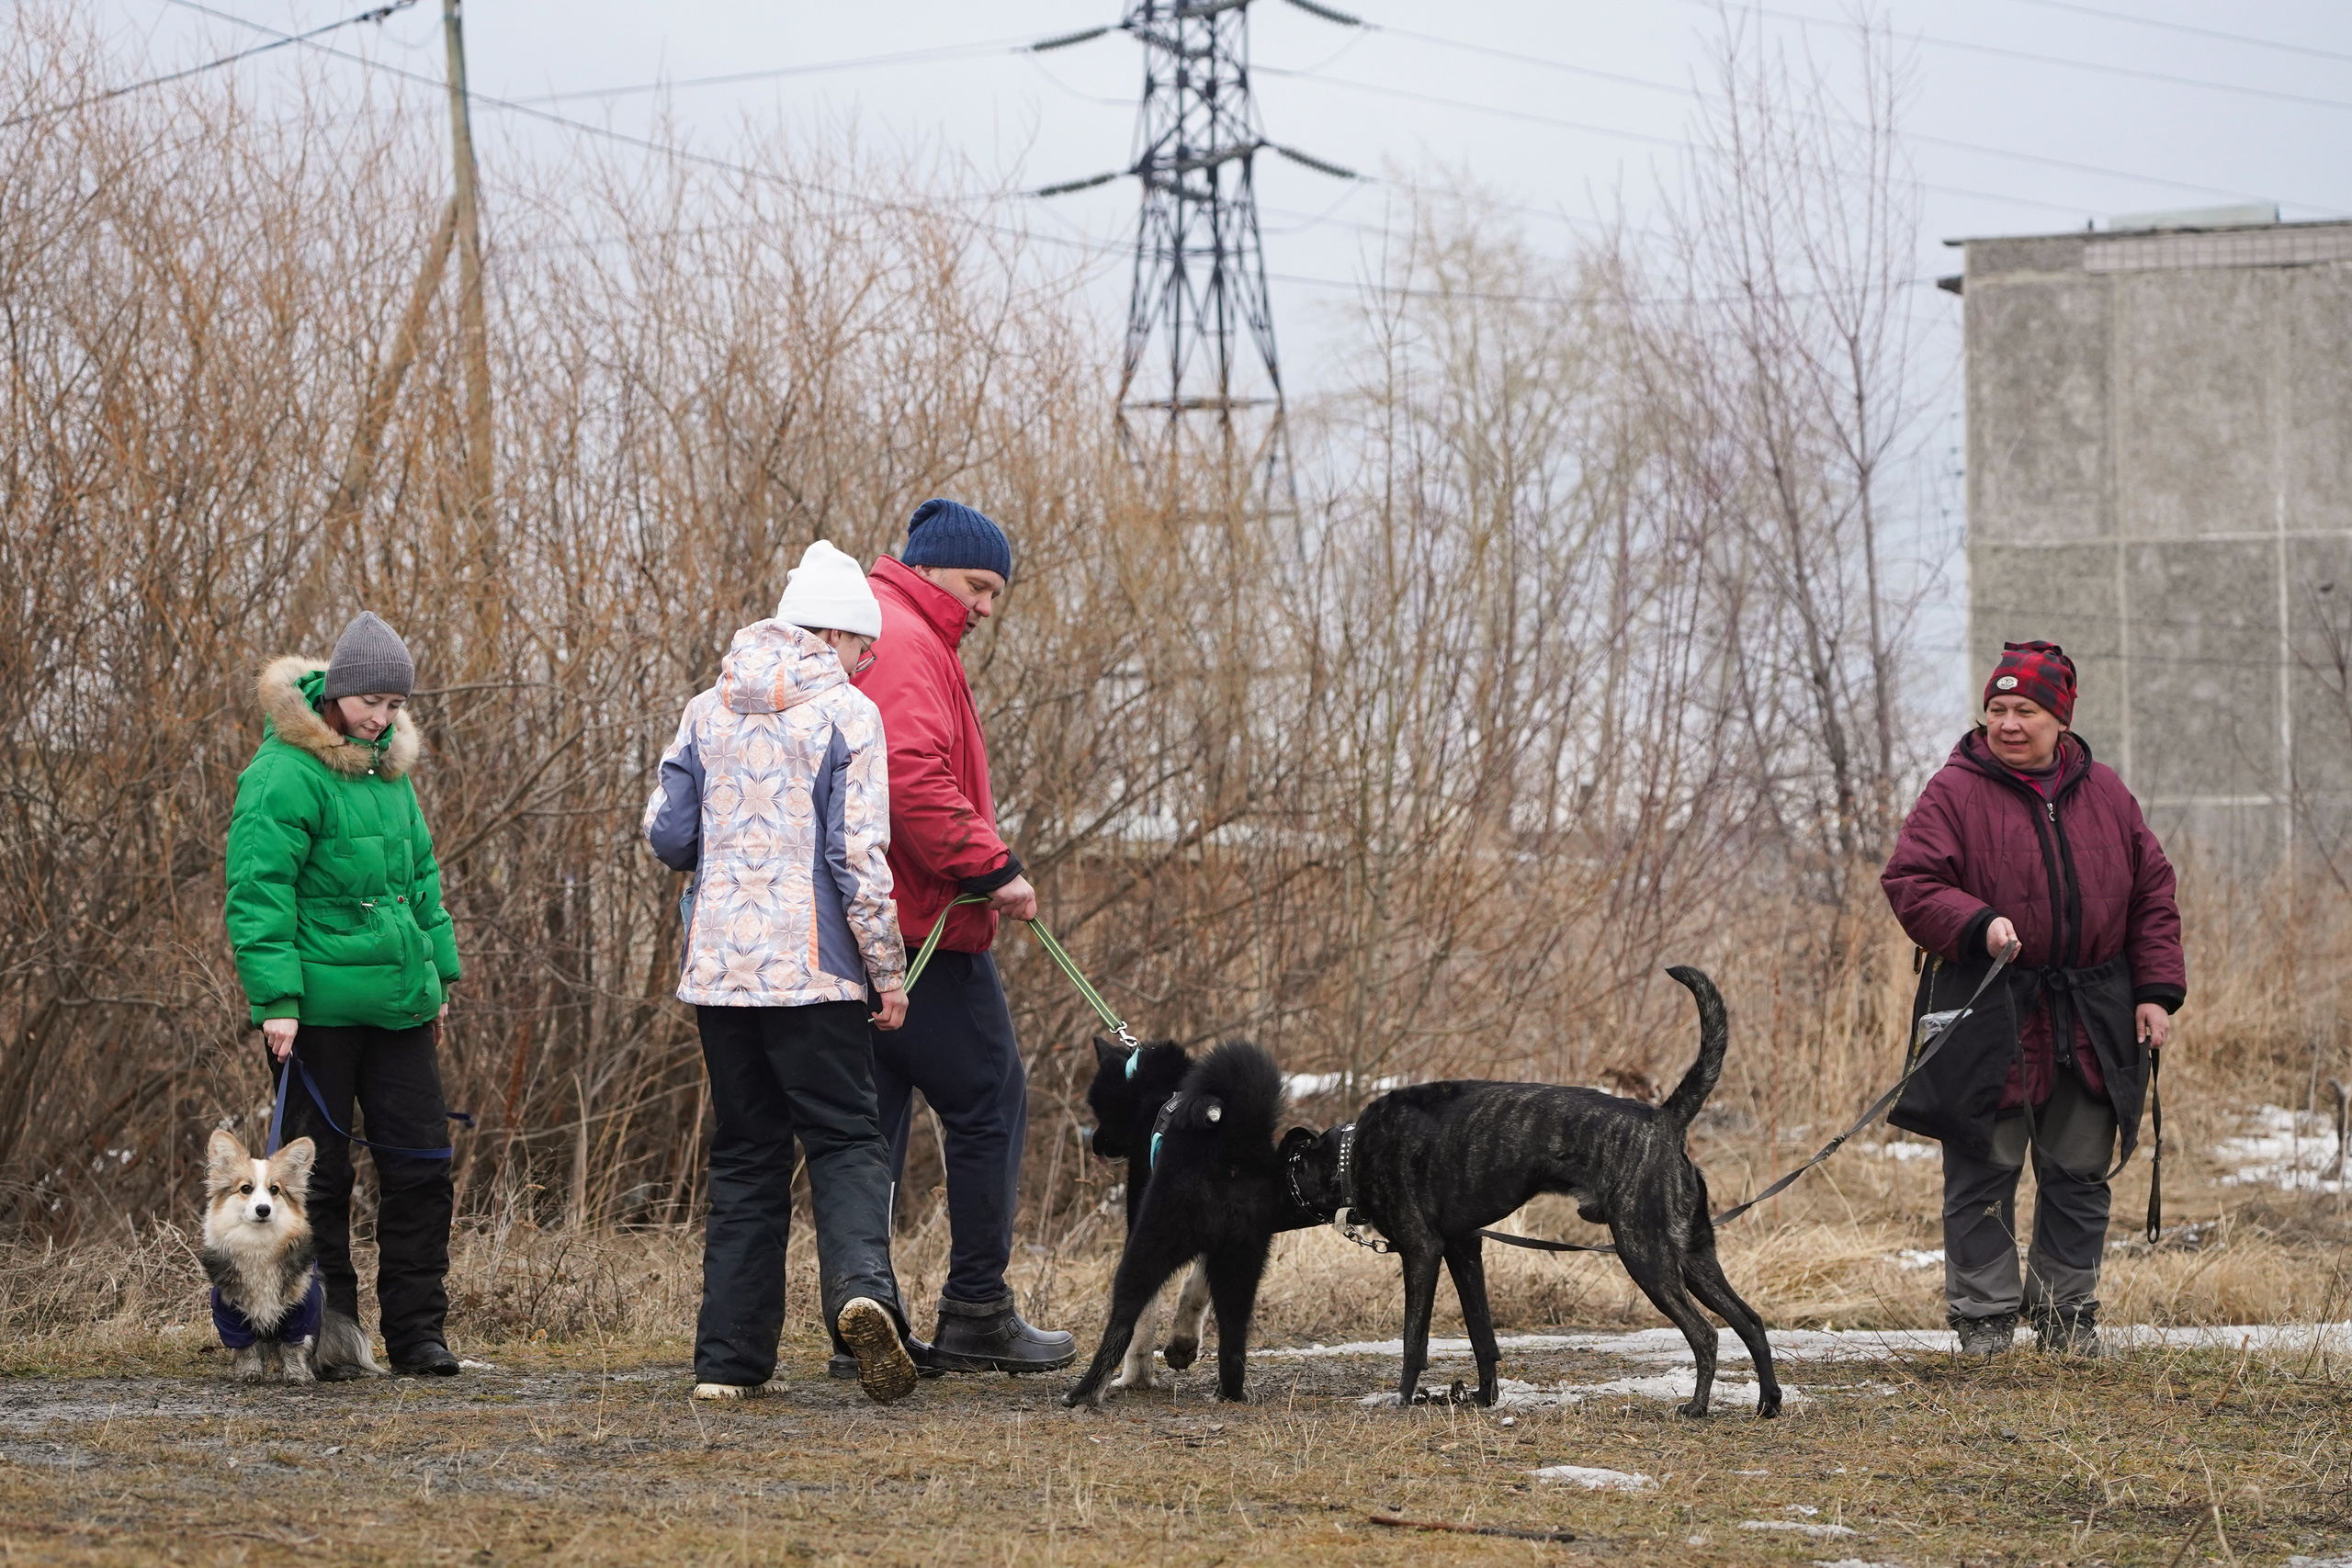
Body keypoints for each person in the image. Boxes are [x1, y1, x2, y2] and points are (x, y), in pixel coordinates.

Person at [642, 540, 923, 1404]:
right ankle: (863, 1296)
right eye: (864, 646)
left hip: (722, 975)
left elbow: (666, 834)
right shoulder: (847, 716)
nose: (869, 662)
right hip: (815, 973)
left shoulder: (705, 709)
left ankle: (726, 1364)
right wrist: (889, 973)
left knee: (745, 1156)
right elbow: (858, 859)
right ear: (832, 634)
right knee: (844, 1139)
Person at [1881, 640, 2185, 1359]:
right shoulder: (1952, 789)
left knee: (2080, 1174)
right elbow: (1912, 881)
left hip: (2094, 1010)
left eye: (2026, 709)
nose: (2008, 722)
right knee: (1983, 1173)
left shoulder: (2107, 792)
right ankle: (1983, 1322)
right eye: (1997, 708)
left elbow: (2153, 894)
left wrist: (2156, 991)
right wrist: (1977, 923)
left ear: (2061, 718)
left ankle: (2066, 1316)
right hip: (1989, 1008)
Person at [852, 499, 1074, 1373]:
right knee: (989, 1102)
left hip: (870, 932)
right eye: (979, 586)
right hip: (925, 930)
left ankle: (861, 1310)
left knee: (868, 1129)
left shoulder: (882, 628)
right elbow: (909, 779)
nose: (987, 606)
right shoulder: (908, 641)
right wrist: (992, 865)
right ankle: (977, 1308)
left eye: (997, 593)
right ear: (931, 566)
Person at [224, 612, 465, 1377]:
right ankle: (325, 1333)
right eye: (374, 702)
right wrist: (277, 999)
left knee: (423, 1164)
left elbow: (421, 882)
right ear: (338, 692)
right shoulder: (281, 773)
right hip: (315, 1013)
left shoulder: (391, 775)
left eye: (396, 705)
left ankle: (419, 1333)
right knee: (314, 1178)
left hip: (399, 1005)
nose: (384, 717)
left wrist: (440, 978)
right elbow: (259, 891)